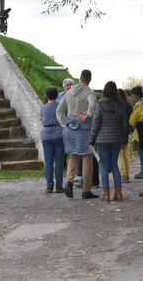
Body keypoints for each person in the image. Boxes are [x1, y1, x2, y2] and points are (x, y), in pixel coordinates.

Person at [56, 69, 98, 199]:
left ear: (80, 78)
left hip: (70, 128)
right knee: (87, 158)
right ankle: (86, 190)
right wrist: (89, 113)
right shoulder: (89, 92)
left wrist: (64, 124)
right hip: (85, 128)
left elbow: (59, 110)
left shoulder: (68, 93)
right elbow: (92, 104)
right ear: (90, 79)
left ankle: (69, 182)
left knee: (73, 156)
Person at [89, 81, 131, 202]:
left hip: (102, 140)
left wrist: (91, 140)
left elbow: (95, 124)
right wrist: (124, 139)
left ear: (104, 91)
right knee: (114, 165)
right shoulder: (120, 104)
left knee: (104, 166)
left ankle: (106, 194)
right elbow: (124, 124)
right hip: (117, 139)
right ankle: (118, 193)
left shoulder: (100, 104)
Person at [41, 86, 66, 193]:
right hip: (59, 134)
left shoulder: (43, 107)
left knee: (48, 161)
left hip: (46, 135)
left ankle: (49, 185)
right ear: (57, 96)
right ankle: (59, 185)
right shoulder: (60, 106)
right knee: (59, 161)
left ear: (46, 96)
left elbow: (42, 118)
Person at [116, 87, 133, 183]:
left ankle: (123, 174)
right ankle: (127, 173)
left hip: (118, 132)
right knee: (126, 153)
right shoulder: (129, 105)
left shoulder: (116, 105)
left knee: (119, 155)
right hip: (127, 131)